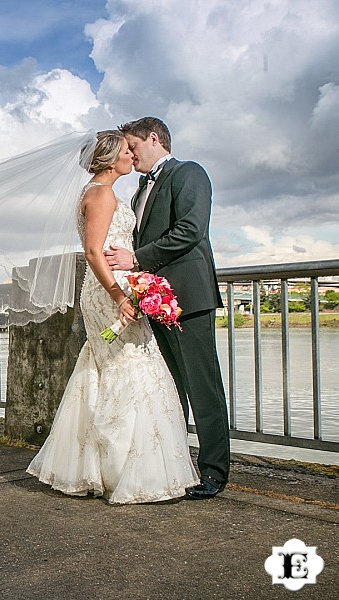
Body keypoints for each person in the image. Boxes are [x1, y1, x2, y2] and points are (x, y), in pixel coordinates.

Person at [27, 130, 198, 504]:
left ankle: (100, 466)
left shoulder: (100, 192)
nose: (132, 156)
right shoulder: (101, 194)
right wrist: (121, 295)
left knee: (107, 367)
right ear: (109, 160)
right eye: (126, 150)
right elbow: (92, 251)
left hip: (111, 289)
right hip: (109, 294)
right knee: (133, 367)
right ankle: (129, 471)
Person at [105, 117, 230, 500]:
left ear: (153, 138)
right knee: (170, 388)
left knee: (202, 387)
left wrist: (136, 259)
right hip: (154, 300)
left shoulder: (189, 173)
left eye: (132, 145)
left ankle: (214, 471)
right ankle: (177, 464)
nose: (129, 153)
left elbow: (191, 229)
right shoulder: (138, 191)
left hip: (189, 299)